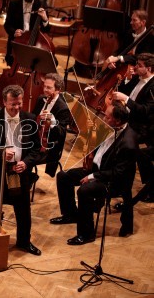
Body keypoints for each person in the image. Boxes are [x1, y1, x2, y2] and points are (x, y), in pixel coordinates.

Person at [50, 101, 138, 242]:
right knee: (63, 176)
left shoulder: (129, 143)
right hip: (97, 169)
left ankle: (86, 234)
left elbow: (119, 173)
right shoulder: (110, 127)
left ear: (118, 120)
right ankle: (70, 214)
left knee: (85, 190)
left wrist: (93, 176)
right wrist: (90, 152)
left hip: (111, 180)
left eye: (107, 117)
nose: (104, 119)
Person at [0, 85, 42, 255]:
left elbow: (37, 148)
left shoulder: (30, 119)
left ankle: (24, 242)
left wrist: (26, 163)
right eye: (13, 104)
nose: (16, 108)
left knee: (22, 208)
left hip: (19, 171)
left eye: (19, 104)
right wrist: (1, 152)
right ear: (4, 102)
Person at [111, 53, 154, 205]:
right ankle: (113, 181)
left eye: (139, 65)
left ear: (148, 68)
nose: (135, 67)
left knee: (124, 150)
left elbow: (145, 111)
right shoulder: (137, 77)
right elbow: (125, 90)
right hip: (129, 120)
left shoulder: (153, 86)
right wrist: (127, 79)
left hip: (142, 128)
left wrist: (126, 99)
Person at [3, 0, 50, 66]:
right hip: (17, 44)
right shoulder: (14, 3)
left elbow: (47, 30)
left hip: (35, 45)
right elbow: (7, 25)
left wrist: (45, 19)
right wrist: (14, 32)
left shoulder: (41, 4)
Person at [31, 73, 71, 177]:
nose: (45, 90)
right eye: (44, 86)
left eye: (49, 87)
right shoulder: (41, 99)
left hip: (49, 146)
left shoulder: (63, 108)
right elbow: (33, 118)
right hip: (35, 140)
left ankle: (27, 179)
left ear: (58, 90)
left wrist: (52, 121)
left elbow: (61, 133)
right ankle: (25, 179)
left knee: (25, 156)